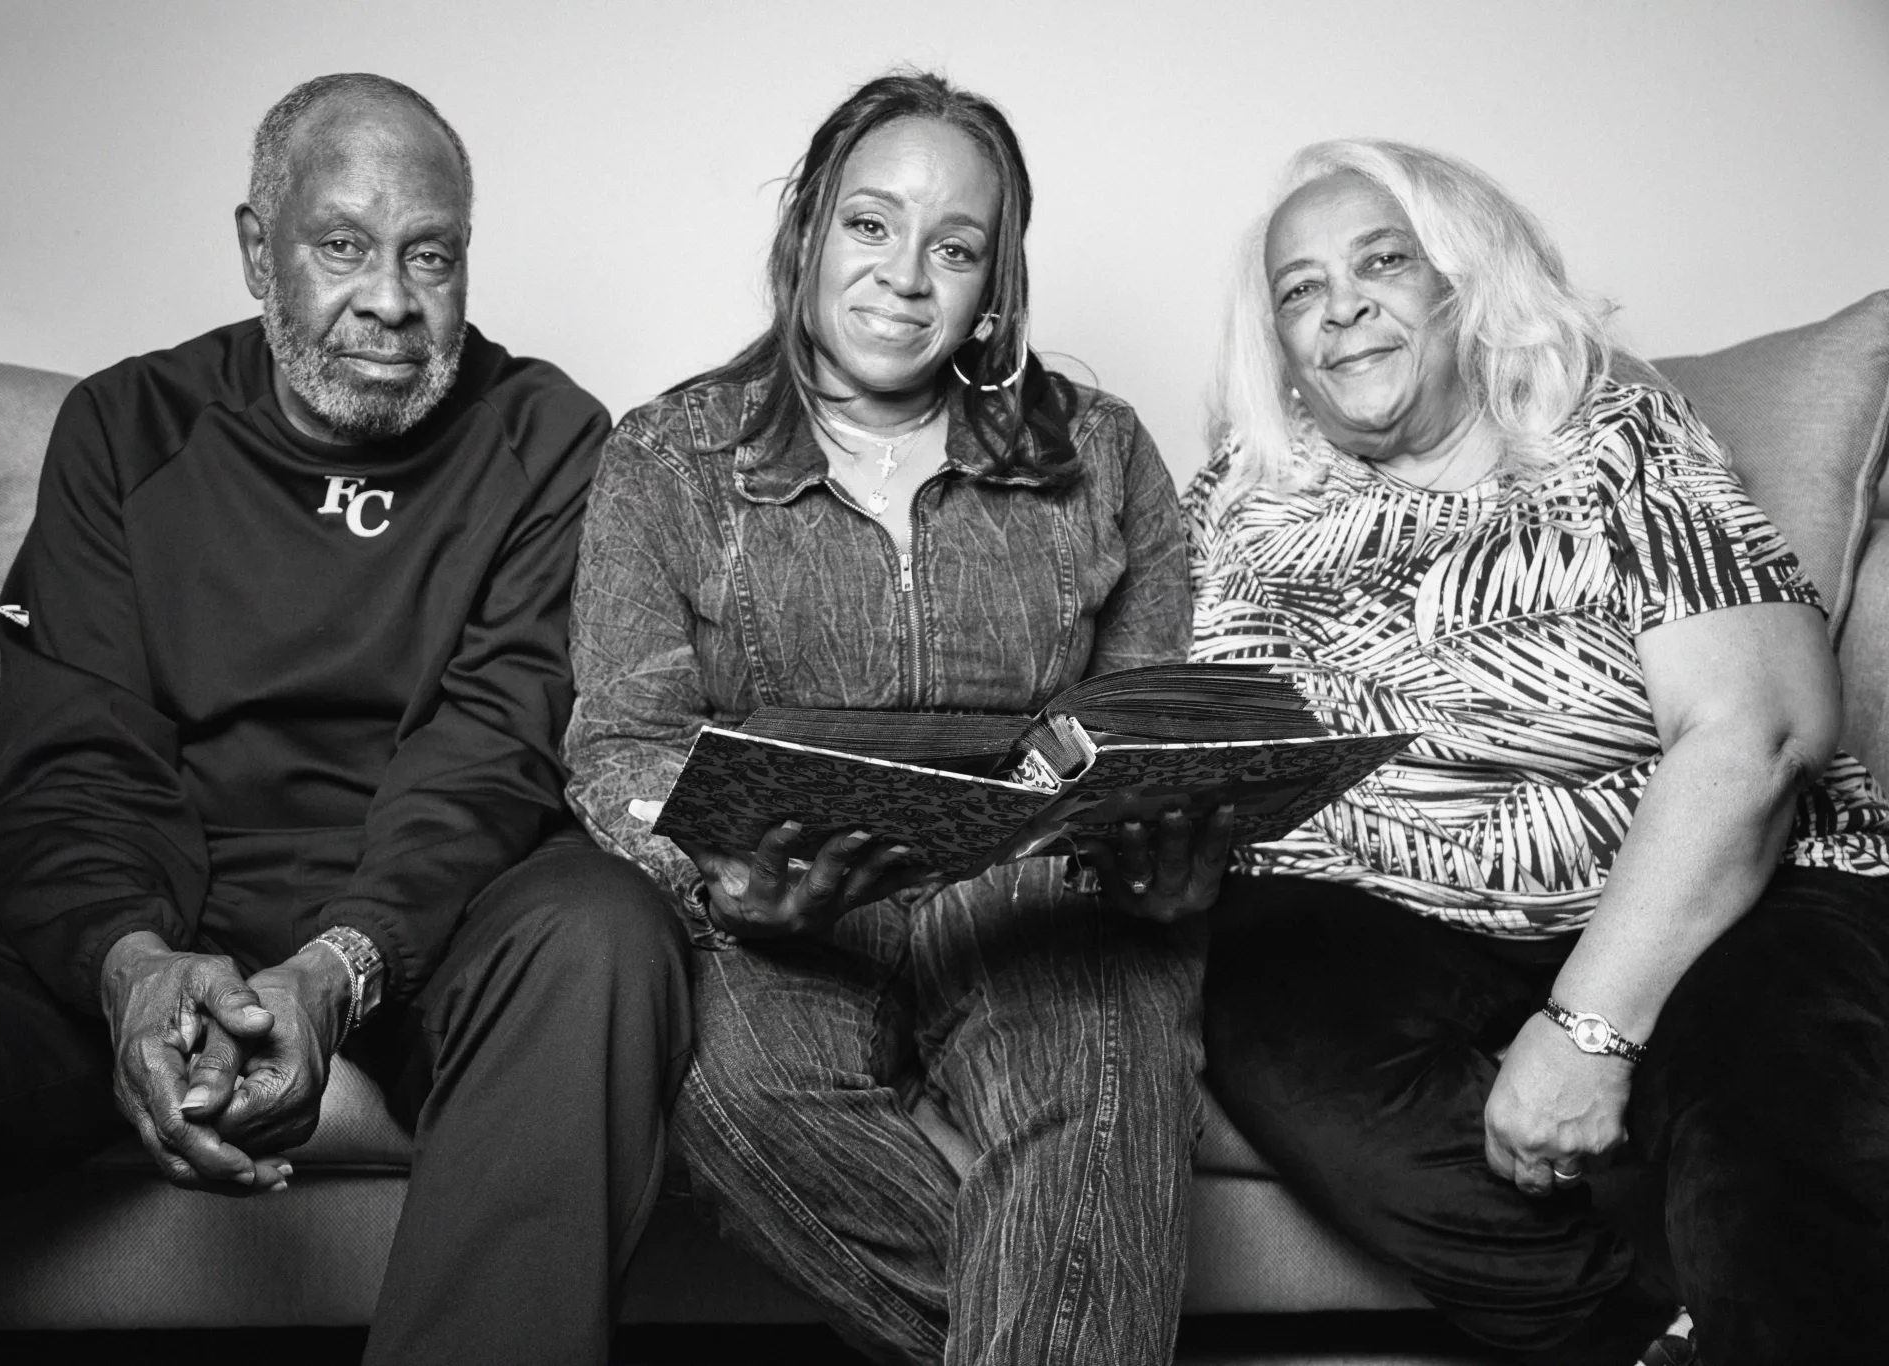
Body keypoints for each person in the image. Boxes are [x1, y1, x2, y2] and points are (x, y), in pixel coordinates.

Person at [0, 73, 689, 1366]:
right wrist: (130, 961)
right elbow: (73, 760)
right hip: (162, 895)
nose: (392, 299)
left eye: (431, 255)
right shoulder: (127, 426)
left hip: (428, 921)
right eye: (343, 245)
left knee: (606, 934)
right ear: (256, 249)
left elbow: (488, 756)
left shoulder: (549, 436)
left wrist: (336, 969)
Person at [1184, 137, 1889, 1366]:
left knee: (1768, 1093)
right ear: (1279, 345)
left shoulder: (1614, 438)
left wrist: (1587, 1028)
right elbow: (1181, 745)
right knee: (1266, 1006)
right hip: (1384, 906)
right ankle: (1633, 1339)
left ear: (1462, 280)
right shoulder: (1235, 503)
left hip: (1695, 884)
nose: (1339, 306)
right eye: (1299, 290)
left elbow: (1759, 728)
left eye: (1380, 262)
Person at [565, 70, 1225, 1366]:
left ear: (995, 286)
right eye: (871, 224)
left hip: (1036, 899)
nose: (906, 276)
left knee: (1107, 1075)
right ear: (807, 228)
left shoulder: (1101, 456)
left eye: (955, 248)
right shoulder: (665, 461)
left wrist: (1166, 854)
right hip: (790, 911)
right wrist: (716, 868)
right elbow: (621, 746)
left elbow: (1143, 727)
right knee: (729, 1096)